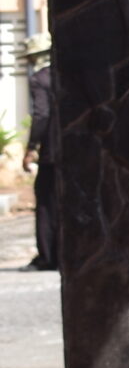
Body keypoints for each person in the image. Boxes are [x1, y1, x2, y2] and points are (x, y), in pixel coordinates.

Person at [24, 34, 53, 273]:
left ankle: (47, 255)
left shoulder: (39, 79)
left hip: (52, 151)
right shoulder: (63, 77)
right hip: (74, 149)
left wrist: (32, 147)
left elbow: (41, 114)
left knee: (45, 200)